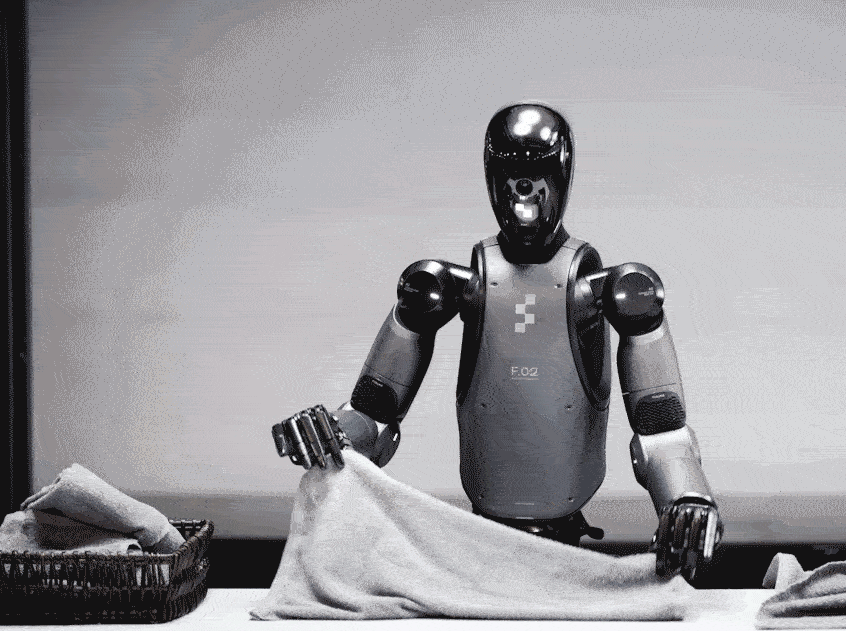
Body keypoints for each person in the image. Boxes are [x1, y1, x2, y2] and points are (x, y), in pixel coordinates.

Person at [273, 103, 722, 585]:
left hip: (567, 541)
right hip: (479, 536)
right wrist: (335, 435)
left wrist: (687, 499)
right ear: (492, 178)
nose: (523, 191)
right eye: (511, 175)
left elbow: (661, 427)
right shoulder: (442, 286)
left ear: (562, 176)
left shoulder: (619, 292)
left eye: (538, 173)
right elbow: (375, 413)